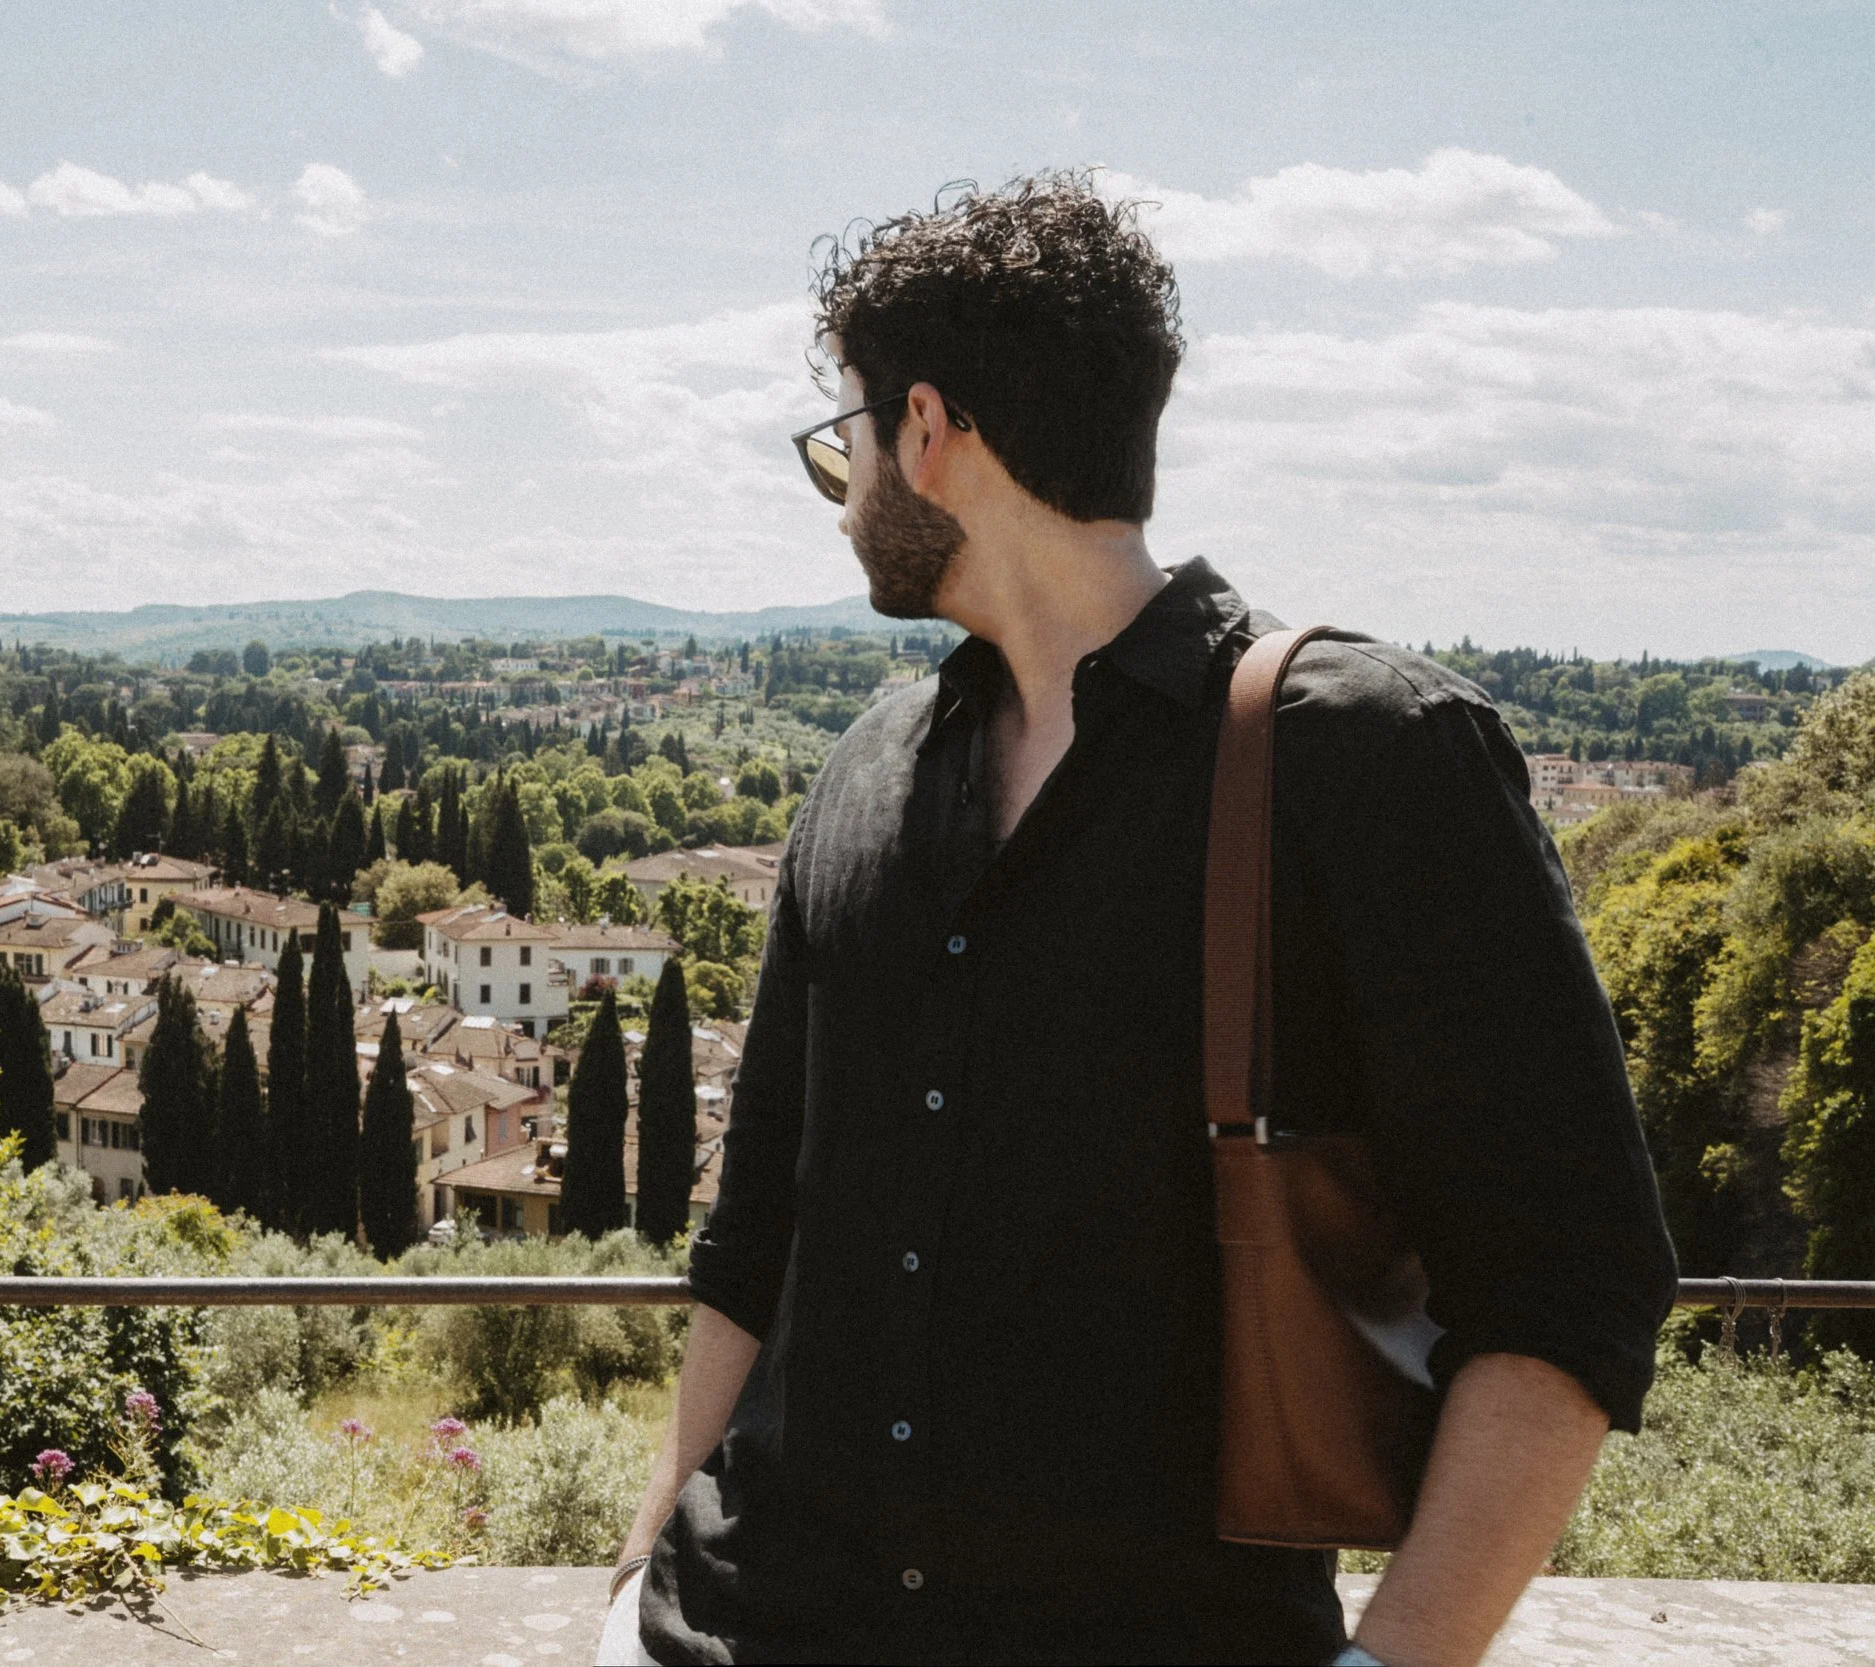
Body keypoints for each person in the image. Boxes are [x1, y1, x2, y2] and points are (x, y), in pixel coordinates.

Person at [598, 176, 1678, 1667]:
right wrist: (643, 1575)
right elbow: (756, 1238)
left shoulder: (1367, 756)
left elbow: (1572, 1280)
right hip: (736, 1634)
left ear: (927, 432)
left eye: (840, 445)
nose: (844, 493)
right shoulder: (863, 773)